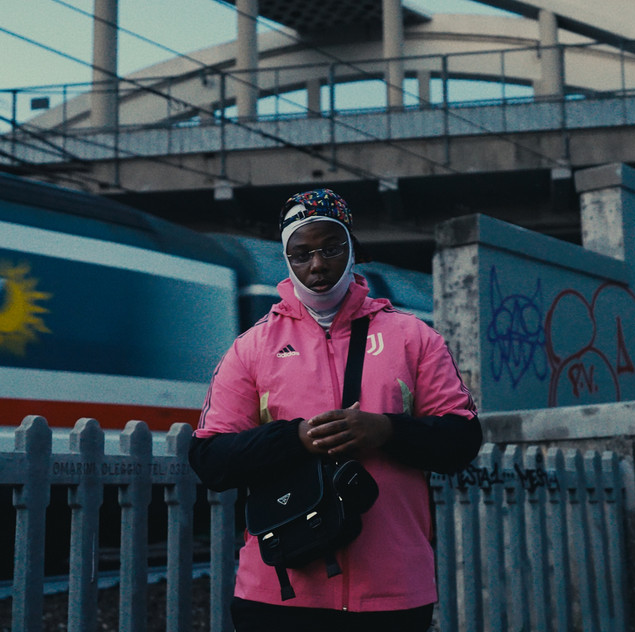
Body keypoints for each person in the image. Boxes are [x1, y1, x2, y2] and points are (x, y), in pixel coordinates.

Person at [189, 188, 482, 632]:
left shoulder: (414, 338)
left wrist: (386, 430)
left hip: (393, 593)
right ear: (287, 258)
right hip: (281, 593)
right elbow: (209, 458)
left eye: (330, 248)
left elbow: (463, 438)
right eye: (301, 253)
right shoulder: (251, 348)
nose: (317, 264)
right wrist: (296, 438)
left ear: (352, 248)